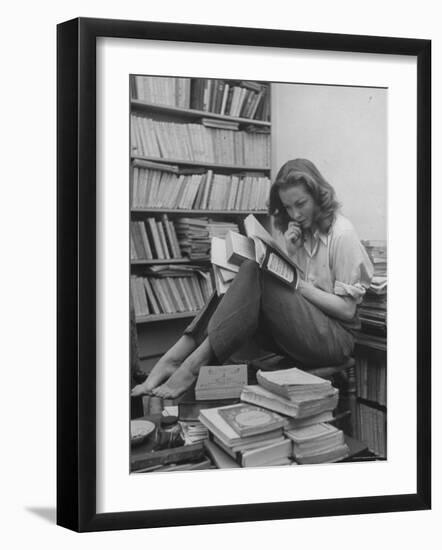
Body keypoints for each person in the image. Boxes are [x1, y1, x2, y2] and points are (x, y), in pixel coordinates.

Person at [131, 158, 374, 399]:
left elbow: (345, 310)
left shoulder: (342, 234)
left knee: (256, 271)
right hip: (306, 331)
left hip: (335, 340)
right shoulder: (302, 233)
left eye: (301, 204)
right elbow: (297, 299)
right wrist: (290, 253)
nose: (295, 214)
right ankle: (174, 358)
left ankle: (188, 364)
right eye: (288, 208)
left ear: (319, 195)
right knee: (241, 276)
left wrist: (297, 284)